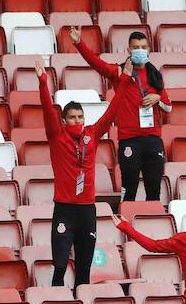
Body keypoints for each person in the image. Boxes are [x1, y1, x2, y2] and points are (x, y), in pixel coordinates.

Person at [38, 71, 119, 292]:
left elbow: (111, 113)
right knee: (60, 266)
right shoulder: (57, 135)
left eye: (80, 117)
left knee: (84, 270)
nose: (77, 121)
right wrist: (43, 82)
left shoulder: (91, 135)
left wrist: (124, 85)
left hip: (86, 211)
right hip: (64, 210)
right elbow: (47, 110)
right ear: (64, 120)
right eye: (73, 117)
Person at [71, 27, 171, 202]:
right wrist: (79, 43)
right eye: (135, 47)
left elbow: (169, 107)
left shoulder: (155, 75)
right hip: (129, 140)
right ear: (128, 50)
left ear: (149, 49)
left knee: (154, 192)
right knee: (129, 190)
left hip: (153, 140)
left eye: (143, 47)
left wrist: (157, 98)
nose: (140, 50)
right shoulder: (120, 72)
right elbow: (96, 63)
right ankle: (127, 226)